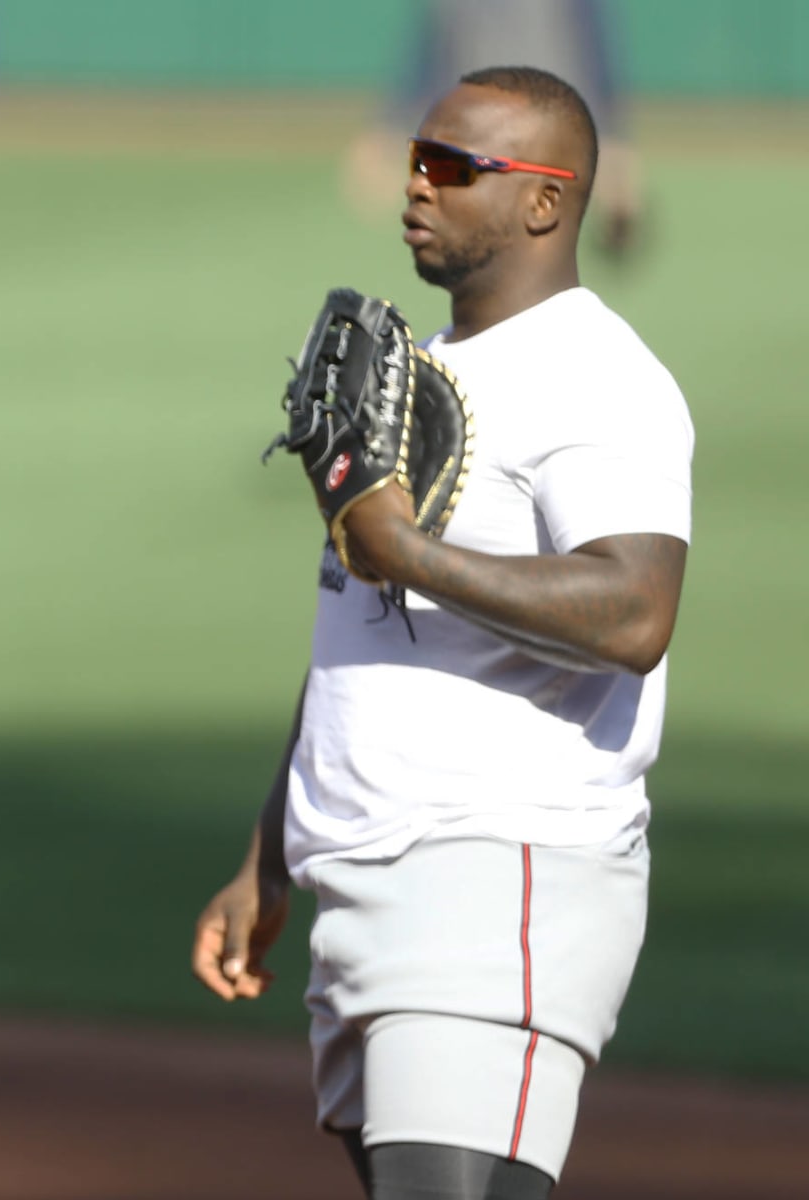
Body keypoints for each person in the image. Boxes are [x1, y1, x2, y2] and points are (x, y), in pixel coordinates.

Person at [193, 66, 691, 1200]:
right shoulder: (418, 370)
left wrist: (407, 549)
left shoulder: (594, 378)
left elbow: (635, 608)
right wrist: (267, 856)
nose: (415, 186)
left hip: (500, 868)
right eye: (417, 158)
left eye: (454, 168)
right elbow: (358, 637)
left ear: (544, 202)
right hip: (366, 867)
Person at [344, 0, 645, 262]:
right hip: (479, 137)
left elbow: (591, 50)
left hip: (544, 134)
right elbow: (433, 51)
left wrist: (611, 140)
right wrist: (390, 129)